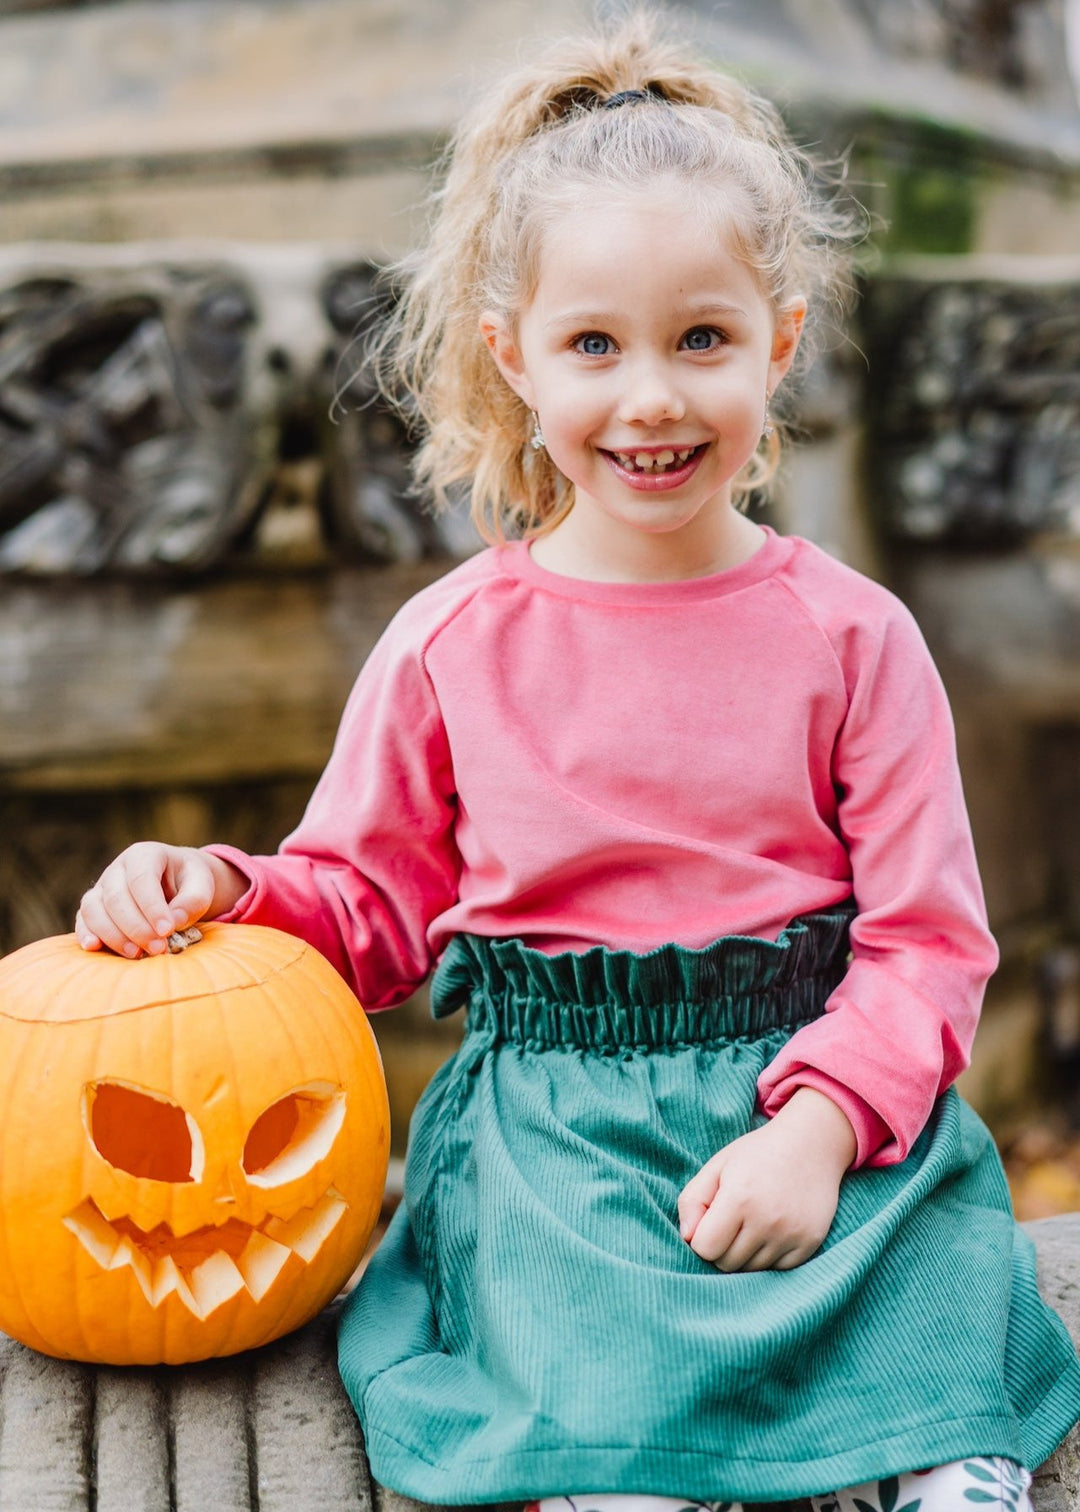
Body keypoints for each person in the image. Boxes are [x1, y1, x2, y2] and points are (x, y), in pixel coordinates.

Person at [75, 13, 1080, 1512]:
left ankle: (937, 1467)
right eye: (594, 345)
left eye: (704, 340)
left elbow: (927, 942)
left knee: (937, 1325)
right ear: (516, 362)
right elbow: (368, 909)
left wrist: (817, 1131)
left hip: (823, 1107)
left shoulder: (854, 637)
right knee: (602, 1413)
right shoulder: (452, 645)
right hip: (564, 1144)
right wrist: (216, 887)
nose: (653, 397)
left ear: (780, 343)